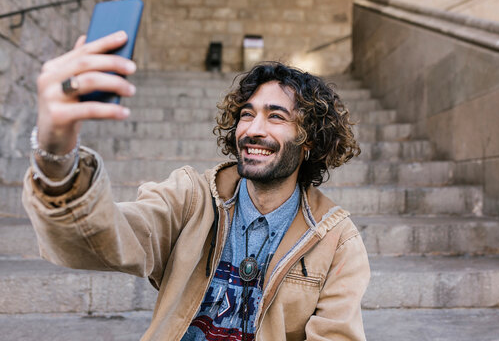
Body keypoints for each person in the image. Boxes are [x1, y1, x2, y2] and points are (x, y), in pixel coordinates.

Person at [22, 31, 370, 340]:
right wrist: (56, 153)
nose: (253, 130)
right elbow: (105, 236)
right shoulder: (191, 197)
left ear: (309, 141)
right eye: (247, 114)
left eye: (276, 116)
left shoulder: (336, 241)